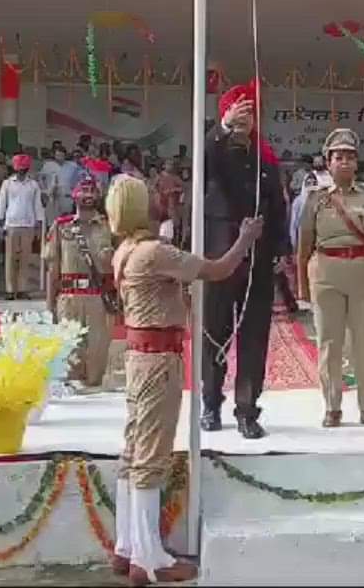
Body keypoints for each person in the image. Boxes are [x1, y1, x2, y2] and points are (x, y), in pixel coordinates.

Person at [106, 175, 262, 585]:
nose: (165, 202)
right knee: (151, 455)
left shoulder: (126, 251)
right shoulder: (154, 253)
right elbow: (217, 269)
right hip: (159, 359)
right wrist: (245, 240)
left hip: (140, 355)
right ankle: (149, 558)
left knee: (134, 447)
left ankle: (127, 545)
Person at [201, 81, 287, 440]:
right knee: (214, 332)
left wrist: (281, 249)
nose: (245, 120)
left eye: (250, 113)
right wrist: (222, 128)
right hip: (221, 257)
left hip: (259, 260)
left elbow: (278, 207)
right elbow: (205, 161)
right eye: (239, 112)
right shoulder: (216, 151)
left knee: (254, 337)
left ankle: (247, 410)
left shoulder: (264, 158)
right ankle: (210, 404)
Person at [298, 128, 364, 429]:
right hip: (326, 272)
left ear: (357, 163)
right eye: (338, 157)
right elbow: (303, 244)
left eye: (350, 157)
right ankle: (332, 407)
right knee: (330, 342)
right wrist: (302, 285)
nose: (344, 162)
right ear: (328, 163)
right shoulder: (315, 199)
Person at [45, 176, 116, 387]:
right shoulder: (61, 226)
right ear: (74, 195)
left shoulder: (109, 227)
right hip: (68, 297)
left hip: (98, 298)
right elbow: (53, 268)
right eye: (83, 191)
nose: (87, 195)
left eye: (92, 191)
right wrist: (50, 306)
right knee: (70, 357)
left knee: (97, 358)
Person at [0, 153, 44, 300]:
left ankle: (23, 289)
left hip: (28, 224)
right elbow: (2, 203)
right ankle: (10, 290)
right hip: (11, 223)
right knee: (10, 258)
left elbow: (37, 205)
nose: (21, 171)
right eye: (19, 169)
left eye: (24, 169)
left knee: (25, 258)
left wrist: (39, 223)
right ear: (15, 169)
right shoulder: (7, 183)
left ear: (27, 169)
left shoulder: (33, 185)